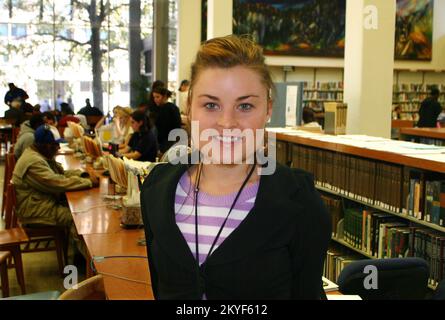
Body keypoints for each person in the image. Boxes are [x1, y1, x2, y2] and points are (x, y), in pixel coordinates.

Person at [140, 35, 331, 300]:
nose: (227, 122)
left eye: (244, 106)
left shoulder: (300, 202)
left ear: (267, 110)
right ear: (189, 108)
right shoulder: (156, 189)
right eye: (211, 105)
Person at [12, 124, 100, 258]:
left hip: (41, 202)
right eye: (55, 145)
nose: (58, 148)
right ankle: (90, 262)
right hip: (35, 210)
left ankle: (80, 254)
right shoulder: (33, 162)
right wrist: (88, 182)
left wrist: (84, 175)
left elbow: (61, 173)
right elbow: (57, 183)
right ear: (45, 145)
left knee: (79, 209)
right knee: (76, 217)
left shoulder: (40, 154)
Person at [152, 87, 182, 153]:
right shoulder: (159, 108)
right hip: (162, 140)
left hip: (169, 141)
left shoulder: (171, 108)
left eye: (157, 97)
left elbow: (176, 126)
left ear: (164, 96)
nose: (155, 99)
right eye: (154, 97)